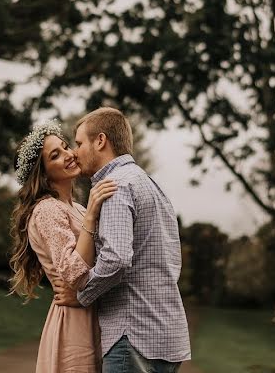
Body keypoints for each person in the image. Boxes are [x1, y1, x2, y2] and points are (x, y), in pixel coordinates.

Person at [54, 107, 191, 373]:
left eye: (80, 143)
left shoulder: (115, 186)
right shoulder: (150, 185)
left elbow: (116, 259)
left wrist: (82, 295)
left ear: (101, 141)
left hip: (134, 336)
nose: (75, 152)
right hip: (167, 338)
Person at [9, 119, 118, 373]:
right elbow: (74, 272)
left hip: (94, 313)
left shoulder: (76, 208)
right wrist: (92, 214)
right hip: (74, 326)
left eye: (66, 147)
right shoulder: (47, 210)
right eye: (55, 155)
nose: (69, 155)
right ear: (44, 172)